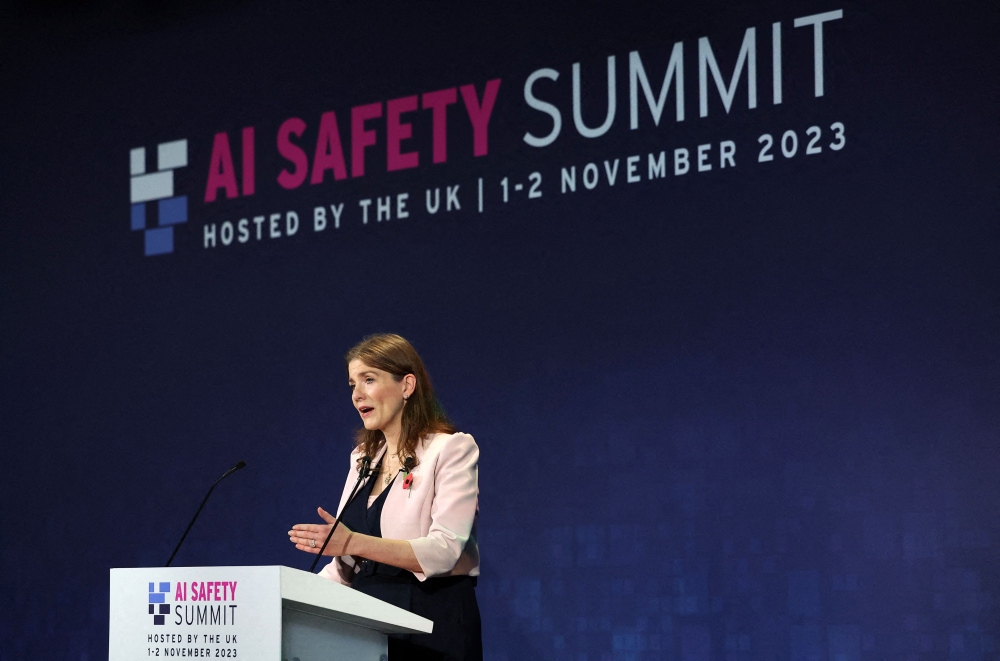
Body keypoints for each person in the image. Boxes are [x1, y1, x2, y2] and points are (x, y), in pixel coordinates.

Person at [288, 333, 482, 661]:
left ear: (407, 386)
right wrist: (288, 595)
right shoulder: (364, 458)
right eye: (352, 384)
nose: (357, 394)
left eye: (369, 379)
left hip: (431, 621)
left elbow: (444, 550)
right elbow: (349, 564)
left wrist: (351, 543)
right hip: (368, 623)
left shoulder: (450, 449)